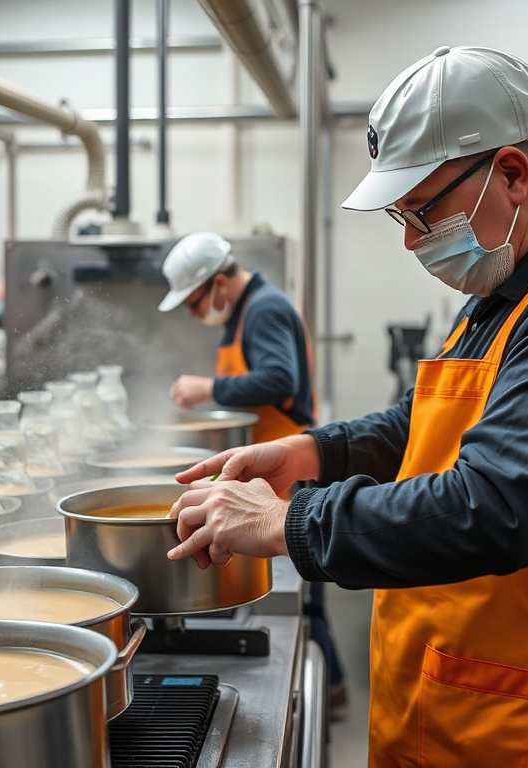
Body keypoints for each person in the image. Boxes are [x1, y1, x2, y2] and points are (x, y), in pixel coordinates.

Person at [166, 45, 528, 767]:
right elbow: (423, 419)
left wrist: (287, 521)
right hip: (460, 702)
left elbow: (494, 506)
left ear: (511, 173)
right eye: (402, 214)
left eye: (422, 210)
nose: (412, 239)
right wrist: (314, 453)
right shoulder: (506, 290)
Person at [157, 231, 348, 717]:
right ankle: (336, 683)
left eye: (195, 304)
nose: (195, 315)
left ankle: (333, 686)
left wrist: (208, 388)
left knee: (304, 592)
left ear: (219, 283)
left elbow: (277, 378)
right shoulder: (244, 313)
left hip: (290, 468)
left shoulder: (263, 308)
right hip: (273, 465)